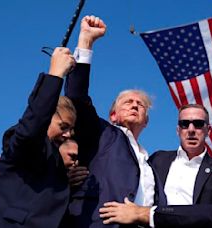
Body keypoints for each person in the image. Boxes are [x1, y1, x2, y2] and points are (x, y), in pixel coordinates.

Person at [62, 15, 167, 228]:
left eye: (140, 104)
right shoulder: (103, 134)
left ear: (146, 121)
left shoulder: (150, 163)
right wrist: (86, 42)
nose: (135, 105)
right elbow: (76, 98)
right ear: (113, 115)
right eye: (128, 102)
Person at [0, 46, 78, 227]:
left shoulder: (56, 170)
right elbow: (33, 123)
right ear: (48, 117)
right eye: (63, 126)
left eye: (71, 130)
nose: (67, 135)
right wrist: (56, 74)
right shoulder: (27, 143)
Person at [149, 104, 212, 205]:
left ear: (208, 131)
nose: (191, 130)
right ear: (178, 130)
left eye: (198, 124)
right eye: (184, 124)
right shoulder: (158, 160)